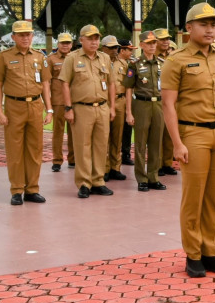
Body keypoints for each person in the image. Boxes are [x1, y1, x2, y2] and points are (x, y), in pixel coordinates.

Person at [161, 2, 215, 278]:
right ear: (189, 28)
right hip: (193, 133)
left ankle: (210, 251)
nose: (210, 29)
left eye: (213, 24)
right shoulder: (176, 60)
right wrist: (177, 143)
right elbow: (168, 105)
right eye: (204, 24)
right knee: (193, 197)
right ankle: (193, 254)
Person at [0, 20, 52, 206]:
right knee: (15, 149)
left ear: (32, 36)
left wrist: (49, 109)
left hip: (35, 106)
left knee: (35, 149)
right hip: (14, 106)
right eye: (21, 35)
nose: (25, 38)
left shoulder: (40, 57)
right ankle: (17, 189)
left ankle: (32, 189)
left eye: (28, 35)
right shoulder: (5, 56)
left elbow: (45, 85)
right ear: (13, 37)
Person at [59, 24, 115, 198]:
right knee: (82, 146)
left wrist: (112, 107)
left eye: (96, 38)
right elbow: (65, 83)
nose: (94, 42)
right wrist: (68, 108)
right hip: (81, 108)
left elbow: (112, 83)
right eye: (90, 38)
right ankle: (84, 183)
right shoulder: (72, 58)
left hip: (102, 107)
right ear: (81, 40)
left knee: (100, 146)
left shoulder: (105, 58)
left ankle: (98, 181)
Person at [124, 30, 166, 191]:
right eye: (149, 43)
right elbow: (128, 88)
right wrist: (129, 112)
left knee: (156, 142)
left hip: (158, 105)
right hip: (141, 104)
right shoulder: (134, 64)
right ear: (141, 45)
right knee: (141, 143)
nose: (152, 46)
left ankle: (153, 177)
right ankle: (142, 178)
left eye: (154, 43)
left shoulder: (161, 63)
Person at [102, 36, 132, 182]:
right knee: (104, 137)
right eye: (111, 48)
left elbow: (128, 86)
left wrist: (128, 107)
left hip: (120, 101)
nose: (115, 50)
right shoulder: (100, 62)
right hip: (104, 102)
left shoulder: (123, 63)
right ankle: (105, 168)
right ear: (103, 48)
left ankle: (115, 167)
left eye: (116, 47)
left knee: (117, 136)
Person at [46, 32, 76, 172]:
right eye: (63, 43)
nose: (65, 45)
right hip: (58, 101)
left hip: (74, 100)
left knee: (74, 132)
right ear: (57, 44)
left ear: (71, 44)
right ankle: (57, 161)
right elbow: (46, 82)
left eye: (68, 43)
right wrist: (48, 105)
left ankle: (73, 159)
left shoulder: (76, 58)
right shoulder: (51, 59)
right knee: (57, 132)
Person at [154, 27, 179, 177]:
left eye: (167, 39)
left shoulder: (173, 57)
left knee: (169, 133)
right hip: (156, 99)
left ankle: (167, 163)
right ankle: (157, 164)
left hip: (172, 99)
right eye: (162, 39)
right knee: (157, 134)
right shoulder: (150, 57)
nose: (166, 41)